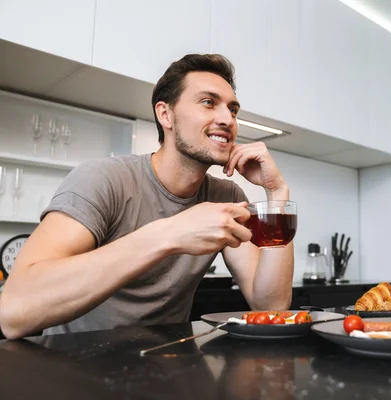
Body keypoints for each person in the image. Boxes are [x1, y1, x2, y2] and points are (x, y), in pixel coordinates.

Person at [0, 54, 294, 339]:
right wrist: (171, 234)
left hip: (163, 370)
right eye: (208, 103)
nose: (227, 119)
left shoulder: (225, 197)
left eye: (232, 110)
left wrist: (277, 194)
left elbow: (271, 306)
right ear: (165, 114)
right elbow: (13, 312)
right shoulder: (103, 180)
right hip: (71, 371)